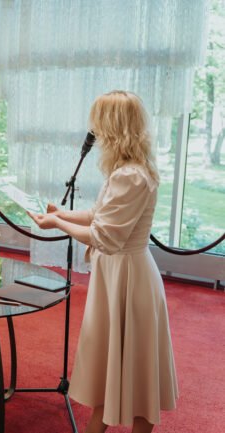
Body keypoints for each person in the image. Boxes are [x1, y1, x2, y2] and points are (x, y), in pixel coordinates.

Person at [28, 91, 178, 433]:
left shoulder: (130, 175)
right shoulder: (129, 170)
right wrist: (61, 213)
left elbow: (104, 236)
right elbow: (99, 214)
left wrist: (57, 224)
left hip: (127, 278)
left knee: (137, 374)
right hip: (119, 274)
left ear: (112, 127)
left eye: (98, 122)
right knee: (116, 367)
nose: (93, 131)